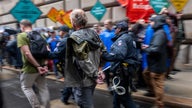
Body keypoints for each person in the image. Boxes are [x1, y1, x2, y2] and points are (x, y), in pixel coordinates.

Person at [64, 9, 104, 108]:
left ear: (73, 22)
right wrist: (99, 70)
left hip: (83, 79)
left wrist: (95, 74)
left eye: (71, 20)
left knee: (84, 103)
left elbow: (82, 60)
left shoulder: (75, 36)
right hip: (93, 76)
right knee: (85, 100)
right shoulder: (93, 33)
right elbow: (102, 51)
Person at [102, 21, 138, 108]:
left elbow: (120, 55)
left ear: (119, 29)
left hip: (122, 72)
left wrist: (104, 55)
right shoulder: (129, 37)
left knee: (125, 98)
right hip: (125, 71)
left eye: (116, 28)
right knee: (117, 96)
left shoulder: (122, 39)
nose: (115, 30)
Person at [17, 19, 50, 108]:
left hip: (30, 68)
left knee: (26, 87)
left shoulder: (21, 36)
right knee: (43, 88)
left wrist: (37, 66)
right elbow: (48, 51)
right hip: (43, 67)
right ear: (31, 26)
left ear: (22, 27)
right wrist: (45, 65)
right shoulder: (41, 35)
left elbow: (27, 53)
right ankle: (47, 106)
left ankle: (36, 106)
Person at [142, 15, 168, 108]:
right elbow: (155, 47)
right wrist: (148, 47)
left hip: (158, 65)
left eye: (152, 21)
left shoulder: (160, 34)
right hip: (153, 63)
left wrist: (146, 49)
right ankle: (153, 92)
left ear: (157, 22)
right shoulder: (158, 32)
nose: (150, 23)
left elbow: (155, 49)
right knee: (146, 73)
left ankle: (159, 104)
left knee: (158, 84)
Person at [47, 25, 72, 105]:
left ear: (63, 32)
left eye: (60, 31)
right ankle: (70, 95)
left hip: (67, 65)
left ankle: (64, 98)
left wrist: (47, 52)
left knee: (69, 82)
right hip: (73, 64)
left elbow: (56, 54)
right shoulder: (72, 38)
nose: (59, 33)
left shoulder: (64, 41)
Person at [100, 19, 115, 88]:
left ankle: (114, 84)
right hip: (105, 54)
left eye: (106, 24)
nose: (105, 26)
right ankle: (108, 85)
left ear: (110, 24)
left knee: (114, 70)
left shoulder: (115, 32)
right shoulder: (102, 34)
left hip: (113, 54)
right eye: (104, 24)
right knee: (106, 70)